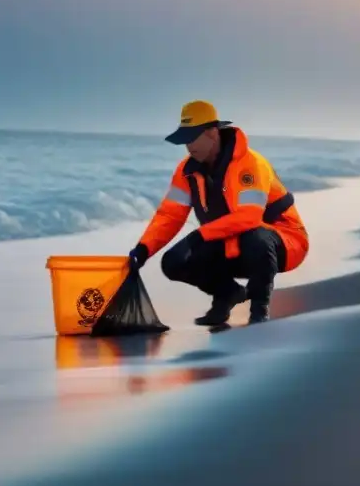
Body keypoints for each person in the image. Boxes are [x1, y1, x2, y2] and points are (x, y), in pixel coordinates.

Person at [127, 101, 309, 327]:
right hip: (231, 243)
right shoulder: (187, 171)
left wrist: (197, 236)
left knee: (256, 238)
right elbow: (169, 216)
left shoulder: (250, 164)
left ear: (212, 133)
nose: (188, 145)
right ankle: (228, 295)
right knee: (173, 261)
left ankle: (259, 311)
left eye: (193, 137)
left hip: (285, 242)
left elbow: (249, 218)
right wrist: (143, 249)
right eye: (185, 139)